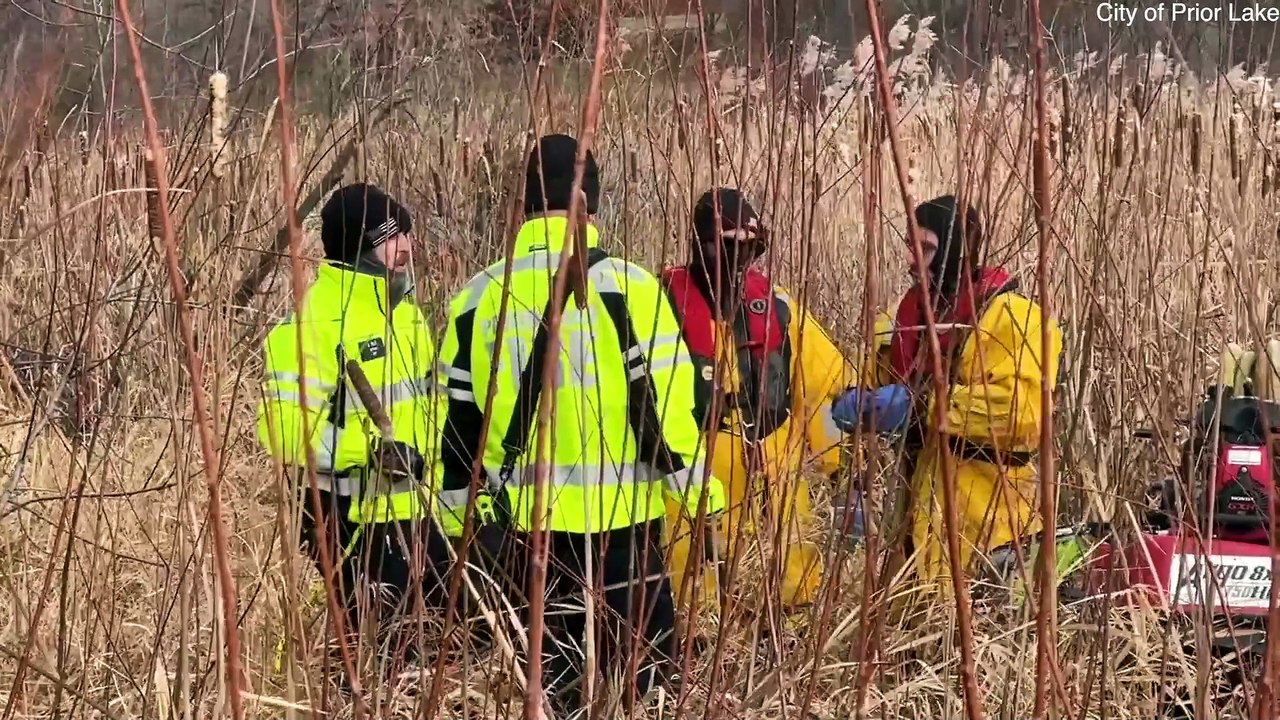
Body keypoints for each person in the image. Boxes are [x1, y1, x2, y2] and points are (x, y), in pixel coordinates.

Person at [431, 134, 726, 716]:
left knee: (550, 690)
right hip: (625, 532)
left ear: (524, 204)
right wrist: (700, 497)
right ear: (591, 201)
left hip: (524, 531)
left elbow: (456, 421)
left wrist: (456, 517)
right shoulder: (632, 286)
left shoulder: (478, 297)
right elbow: (671, 411)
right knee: (646, 688)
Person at [255, 183, 455, 664]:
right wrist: (366, 452)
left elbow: (432, 409)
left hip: (419, 514)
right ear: (358, 248)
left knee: (437, 652)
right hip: (348, 521)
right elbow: (282, 429)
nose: (406, 246)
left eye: (406, 233)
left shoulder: (406, 317)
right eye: (391, 236)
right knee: (383, 661)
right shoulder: (313, 324)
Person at [831, 194, 1064, 591]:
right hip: (916, 512)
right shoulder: (907, 315)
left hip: (990, 518)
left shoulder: (1012, 317)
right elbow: (868, 377)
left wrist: (923, 406)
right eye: (910, 246)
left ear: (956, 248)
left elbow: (1024, 412)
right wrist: (851, 404)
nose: (911, 260)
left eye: (924, 248)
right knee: (914, 616)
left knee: (976, 616)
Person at [659, 187, 860, 611]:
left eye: (748, 246)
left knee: (794, 592)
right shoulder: (661, 303)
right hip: (695, 485)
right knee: (697, 606)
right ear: (699, 242)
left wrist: (844, 475)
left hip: (777, 483)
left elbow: (826, 390)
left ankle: (790, 636)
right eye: (725, 243)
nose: (737, 256)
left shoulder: (777, 307)